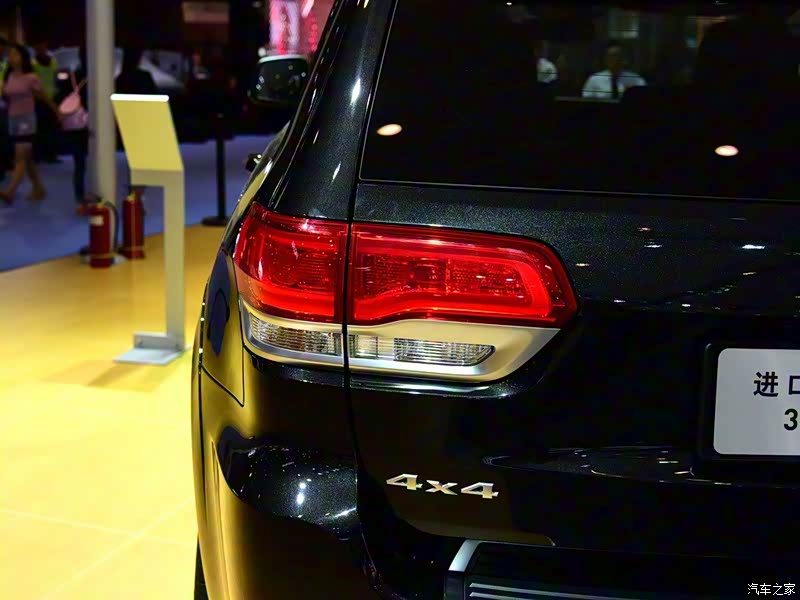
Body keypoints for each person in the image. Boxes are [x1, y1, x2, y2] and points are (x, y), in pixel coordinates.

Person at [0, 44, 59, 204]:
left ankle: (10, 191)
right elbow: (6, 96)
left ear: (23, 57)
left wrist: (57, 111)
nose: (12, 58)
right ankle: (39, 188)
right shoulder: (9, 76)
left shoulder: (31, 77)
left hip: (27, 120)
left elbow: (43, 96)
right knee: (27, 158)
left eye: (15, 54)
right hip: (13, 119)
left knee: (20, 156)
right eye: (10, 55)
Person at [61, 47, 90, 214]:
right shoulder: (101, 76)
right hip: (91, 123)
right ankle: (93, 199)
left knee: (79, 164)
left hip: (75, 125)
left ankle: (80, 200)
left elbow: (61, 95)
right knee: (85, 163)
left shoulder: (72, 76)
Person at [33, 40, 60, 163]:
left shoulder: (53, 61)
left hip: (53, 97)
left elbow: (56, 77)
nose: (41, 47)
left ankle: (51, 154)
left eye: (43, 44)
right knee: (40, 128)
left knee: (52, 128)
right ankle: (39, 155)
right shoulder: (33, 63)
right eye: (38, 45)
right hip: (39, 98)